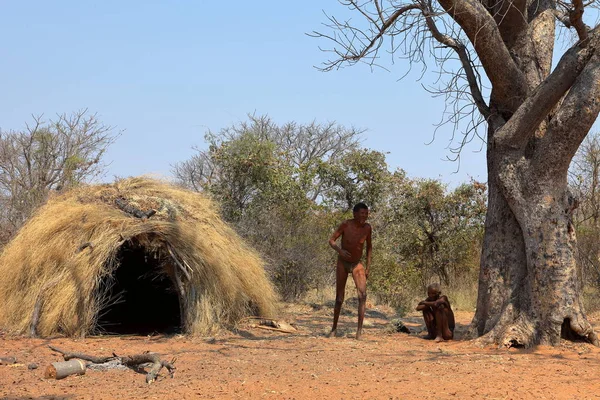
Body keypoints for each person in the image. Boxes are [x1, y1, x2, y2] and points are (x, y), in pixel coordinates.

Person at [327, 202, 372, 339]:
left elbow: (369, 247)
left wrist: (368, 267)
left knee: (362, 295)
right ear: (355, 214)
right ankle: (334, 329)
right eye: (362, 213)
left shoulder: (367, 228)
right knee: (339, 298)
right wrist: (340, 251)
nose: (364, 216)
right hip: (343, 262)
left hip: (357, 263)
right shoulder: (346, 224)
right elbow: (332, 240)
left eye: (366, 213)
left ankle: (359, 332)